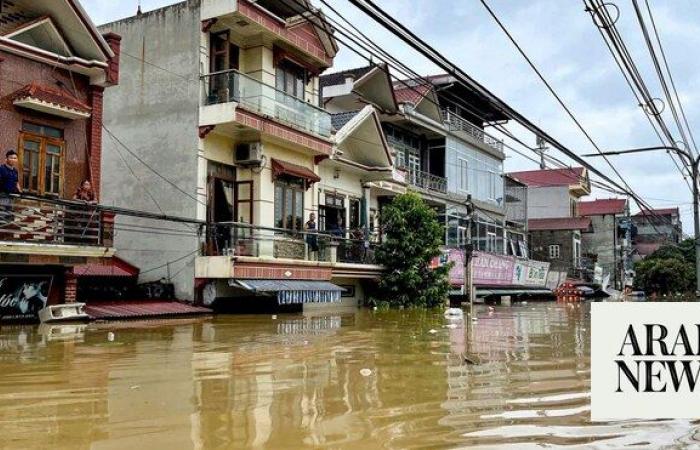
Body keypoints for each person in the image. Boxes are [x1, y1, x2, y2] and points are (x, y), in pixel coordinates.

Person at [0, 150, 20, 223]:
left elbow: (16, 182)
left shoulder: (15, 171)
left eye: (15, 158)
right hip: (2, 196)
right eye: (11, 158)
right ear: (6, 159)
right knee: (2, 216)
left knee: (9, 216)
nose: (13, 160)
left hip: (11, 197)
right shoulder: (1, 169)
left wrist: (20, 193)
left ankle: (7, 232)